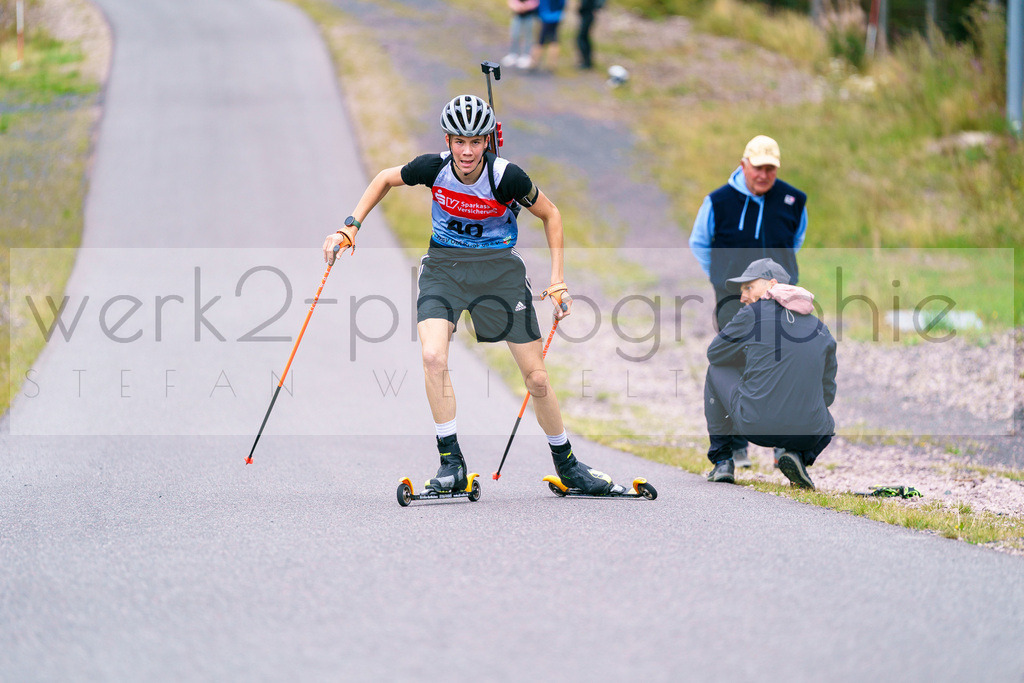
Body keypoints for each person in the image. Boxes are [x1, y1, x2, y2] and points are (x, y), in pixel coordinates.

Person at [323, 94, 624, 495]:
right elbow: (384, 179)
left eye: (476, 141)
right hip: (444, 269)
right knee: (433, 356)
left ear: (487, 142)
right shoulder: (433, 168)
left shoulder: (506, 177)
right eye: (459, 141)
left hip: (500, 274)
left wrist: (557, 280)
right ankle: (452, 464)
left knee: (535, 378)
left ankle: (567, 465)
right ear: (447, 140)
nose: (467, 151)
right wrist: (350, 226)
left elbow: (551, 214)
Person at [688, 134, 808, 468]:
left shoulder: (793, 200)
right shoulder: (718, 201)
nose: (764, 175)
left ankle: (783, 447)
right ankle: (736, 448)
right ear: (744, 165)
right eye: (758, 168)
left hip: (780, 300)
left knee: (779, 365)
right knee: (732, 363)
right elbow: (699, 243)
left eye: (771, 168)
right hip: (733, 299)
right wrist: (722, 278)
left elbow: (795, 240)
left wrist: (776, 284)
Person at [702, 258, 837, 490]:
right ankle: (797, 456)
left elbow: (715, 353)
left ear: (772, 284)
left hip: (756, 425)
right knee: (826, 422)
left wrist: (747, 359)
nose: (742, 297)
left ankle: (723, 460)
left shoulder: (753, 314)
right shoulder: (820, 329)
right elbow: (828, 394)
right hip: (808, 432)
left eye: (748, 287)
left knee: (715, 369)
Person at [502, 0, 539, 70]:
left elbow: (536, 2)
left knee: (528, 36)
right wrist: (517, 7)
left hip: (530, 16)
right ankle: (513, 54)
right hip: (517, 15)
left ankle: (526, 55)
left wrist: (526, 7)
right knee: (515, 35)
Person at [530, 0, 565, 71]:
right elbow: (562, 4)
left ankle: (534, 63)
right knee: (554, 39)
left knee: (541, 40)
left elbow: (541, 4)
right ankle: (552, 64)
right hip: (556, 16)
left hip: (546, 16)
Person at [576, 0, 604, 70]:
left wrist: (580, 10)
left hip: (587, 14)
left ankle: (586, 62)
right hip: (589, 13)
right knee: (584, 38)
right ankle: (587, 62)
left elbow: (585, 4)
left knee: (582, 38)